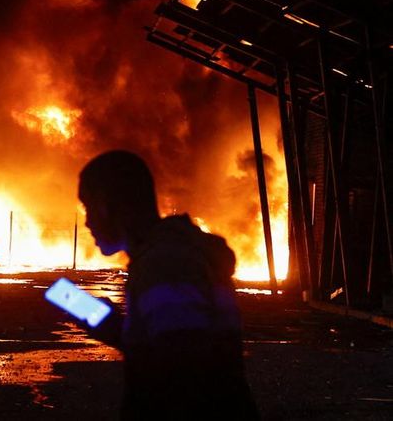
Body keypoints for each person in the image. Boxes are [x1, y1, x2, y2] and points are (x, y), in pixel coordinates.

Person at [76, 150, 258, 420]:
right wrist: (117, 330)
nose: (88, 222)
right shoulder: (170, 254)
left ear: (109, 206)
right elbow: (171, 347)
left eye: (89, 207)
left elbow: (183, 375)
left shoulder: (165, 262)